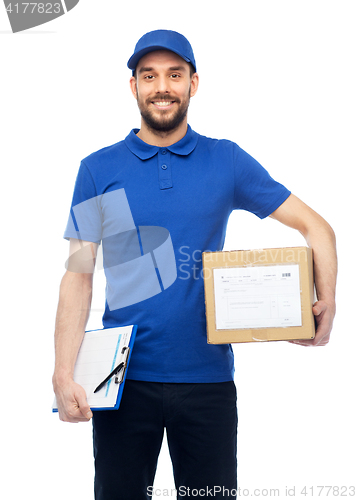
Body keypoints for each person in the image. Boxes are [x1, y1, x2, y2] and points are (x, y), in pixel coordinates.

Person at [52, 30, 337, 499]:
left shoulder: (225, 160)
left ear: (193, 83)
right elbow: (78, 275)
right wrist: (64, 373)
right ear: (134, 87)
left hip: (207, 383)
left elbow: (317, 228)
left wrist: (326, 305)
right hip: (120, 384)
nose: (161, 86)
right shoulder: (98, 169)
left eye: (174, 75)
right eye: (149, 75)